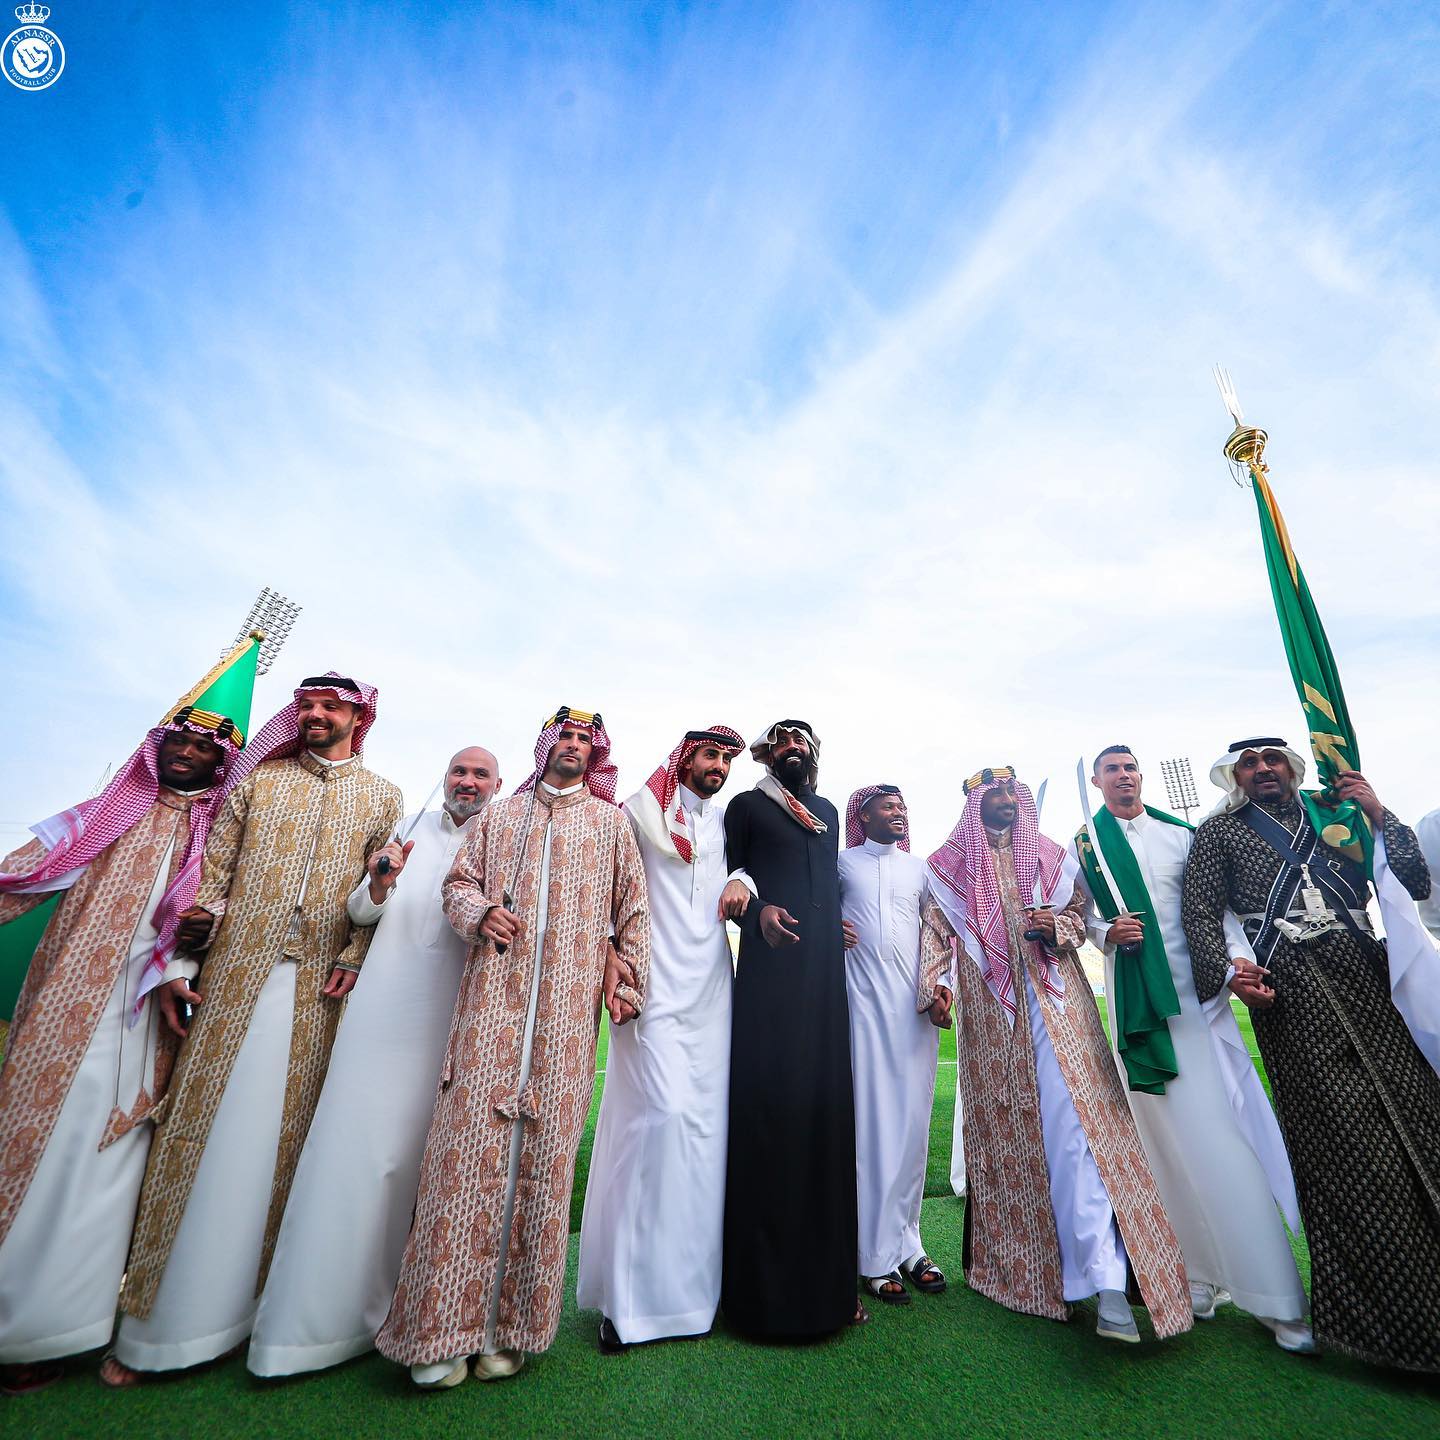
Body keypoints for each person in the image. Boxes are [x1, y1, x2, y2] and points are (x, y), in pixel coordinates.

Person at [113, 674, 402, 1382]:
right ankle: (157, 1332)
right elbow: (210, 881)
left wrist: (352, 954)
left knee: (283, 1144)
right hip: (233, 980)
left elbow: (377, 895)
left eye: (330, 706)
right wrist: (183, 958)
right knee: (201, 1134)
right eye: (307, 705)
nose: (315, 714)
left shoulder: (383, 797)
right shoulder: (259, 783)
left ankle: (255, 1319)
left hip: (316, 997)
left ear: (358, 717)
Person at [0, 643, 256, 1394]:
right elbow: (18, 878)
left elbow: (220, 914)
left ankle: (51, 1328)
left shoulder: (215, 841)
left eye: (203, 748)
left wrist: (202, 934)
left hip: (145, 1022)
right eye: (178, 740)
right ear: (156, 745)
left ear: (221, 764)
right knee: (25, 1145)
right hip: (60, 1012)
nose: (186, 753)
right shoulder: (99, 818)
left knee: (104, 1158)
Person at [376, 708, 649, 1388]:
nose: (574, 746)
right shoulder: (499, 819)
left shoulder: (611, 825)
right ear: (545, 745)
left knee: (544, 1168)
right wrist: (479, 914)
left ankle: (510, 1333)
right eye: (565, 736)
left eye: (585, 740)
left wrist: (628, 982)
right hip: (489, 1009)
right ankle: (438, 1333)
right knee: (462, 1158)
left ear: (596, 754)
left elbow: (632, 912)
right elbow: (457, 884)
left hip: (565, 1022)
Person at [1182, 737, 1440, 1372]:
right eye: (1249, 763)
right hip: (1290, 995)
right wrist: (1231, 974)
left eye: (1273, 759)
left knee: (1422, 1118)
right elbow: (1200, 913)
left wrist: (1377, 812)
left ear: (1293, 768)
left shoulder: (1338, 815)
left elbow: (1413, 880)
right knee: (1344, 1149)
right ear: (1235, 777)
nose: (1263, 769)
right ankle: (1392, 1330)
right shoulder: (1218, 833)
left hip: (1371, 979)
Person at [248, 746, 503, 1376]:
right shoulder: (408, 826)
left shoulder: (504, 841)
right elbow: (360, 911)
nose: (467, 782)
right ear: (445, 777)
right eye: (459, 771)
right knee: (352, 1146)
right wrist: (380, 881)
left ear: (497, 786)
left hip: (456, 1015)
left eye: (480, 775)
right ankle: (315, 1326)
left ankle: (414, 1310)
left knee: (424, 1163)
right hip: (382, 1004)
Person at [924, 767, 1191, 1344]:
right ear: (973, 805)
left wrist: (1057, 926)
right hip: (993, 1027)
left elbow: (1079, 918)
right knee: (1018, 1145)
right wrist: (934, 988)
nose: (1006, 801)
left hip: (1061, 1009)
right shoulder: (945, 866)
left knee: (1079, 1136)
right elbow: (936, 937)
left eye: (1012, 792)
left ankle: (1108, 1284)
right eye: (994, 794)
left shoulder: (1049, 854)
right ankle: (1030, 1276)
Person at [1071, 745, 1311, 1351]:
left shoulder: (1183, 835)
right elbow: (1081, 915)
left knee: (1220, 1138)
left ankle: (1276, 1298)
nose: (1124, 776)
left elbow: (1219, 913)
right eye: (1112, 769)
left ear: (1141, 776)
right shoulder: (1086, 845)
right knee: (1161, 1147)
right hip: (1136, 1003)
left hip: (1197, 999)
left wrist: (1237, 966)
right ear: (1097, 781)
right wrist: (1104, 931)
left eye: (1130, 767)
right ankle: (1196, 1276)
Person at [577, 725, 746, 1352]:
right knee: (657, 1124)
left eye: (726, 758)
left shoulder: (728, 823)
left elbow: (753, 868)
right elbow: (604, 890)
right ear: (684, 759)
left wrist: (746, 880)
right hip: (649, 991)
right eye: (709, 755)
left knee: (705, 1138)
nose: (718, 766)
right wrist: (608, 957)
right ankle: (627, 1305)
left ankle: (694, 1299)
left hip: (712, 995)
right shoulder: (638, 815)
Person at [720, 719, 860, 1338]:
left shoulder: (827, 812)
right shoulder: (747, 807)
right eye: (782, 742)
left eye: (802, 741)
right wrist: (757, 915)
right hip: (771, 981)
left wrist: (835, 923)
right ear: (766, 754)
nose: (793, 748)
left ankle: (830, 1289)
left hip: (824, 981)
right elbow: (730, 878)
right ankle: (760, 1296)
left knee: (824, 1116)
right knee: (771, 1116)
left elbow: (825, 883)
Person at [839, 784, 955, 1307]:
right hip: (861, 1011)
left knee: (911, 1130)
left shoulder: (920, 869)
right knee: (871, 1130)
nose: (898, 812)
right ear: (863, 816)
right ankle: (873, 1255)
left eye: (902, 806)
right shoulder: (842, 865)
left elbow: (940, 936)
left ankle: (910, 1244)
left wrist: (942, 989)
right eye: (887, 806)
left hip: (914, 1016)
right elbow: (815, 912)